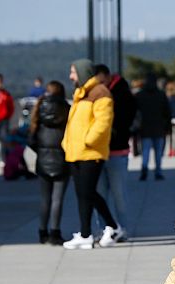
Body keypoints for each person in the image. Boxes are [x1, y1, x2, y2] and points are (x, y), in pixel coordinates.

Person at [61, 58, 121, 250]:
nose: (71, 76)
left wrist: (88, 140)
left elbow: (103, 122)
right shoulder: (81, 93)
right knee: (83, 193)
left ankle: (107, 227)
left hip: (90, 152)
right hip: (75, 152)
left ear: (82, 72)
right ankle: (88, 232)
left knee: (87, 192)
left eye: (73, 72)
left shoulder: (100, 92)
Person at [94, 64, 136, 240]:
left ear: (107, 76)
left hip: (117, 150)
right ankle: (104, 230)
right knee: (100, 195)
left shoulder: (122, 92)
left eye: (100, 79)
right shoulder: (98, 92)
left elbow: (126, 118)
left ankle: (122, 229)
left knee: (119, 195)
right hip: (99, 152)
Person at [28, 81, 70, 245]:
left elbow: (30, 138)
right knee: (57, 199)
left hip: (43, 159)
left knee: (45, 198)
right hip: (62, 158)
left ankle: (42, 231)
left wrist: (40, 151)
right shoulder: (66, 109)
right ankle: (55, 232)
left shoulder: (39, 108)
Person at [135, 74, 171, 181]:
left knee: (145, 151)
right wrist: (167, 127)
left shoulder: (140, 95)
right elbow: (167, 112)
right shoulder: (161, 95)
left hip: (145, 127)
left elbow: (135, 112)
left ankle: (144, 170)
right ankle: (158, 172)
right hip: (159, 127)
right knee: (158, 152)